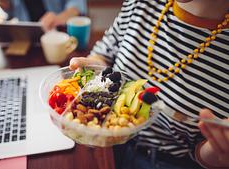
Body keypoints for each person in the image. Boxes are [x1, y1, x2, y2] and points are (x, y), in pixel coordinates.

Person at [69, 0, 229, 168]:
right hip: (108, 145)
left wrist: (217, 152)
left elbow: (205, 152)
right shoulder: (141, 4)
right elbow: (105, 54)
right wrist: (93, 69)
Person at [0, 0, 87, 31]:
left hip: (59, 32)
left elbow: (77, 4)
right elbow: (10, 11)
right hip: (28, 39)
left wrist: (59, 18)